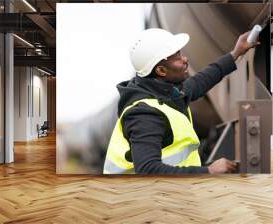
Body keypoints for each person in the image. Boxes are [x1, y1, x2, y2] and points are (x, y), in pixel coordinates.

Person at [104, 28, 259, 174]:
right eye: (177, 57)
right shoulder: (144, 114)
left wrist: (235, 53)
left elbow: (201, 80)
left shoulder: (168, 92)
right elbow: (147, 170)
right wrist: (207, 171)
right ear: (161, 71)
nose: (185, 59)